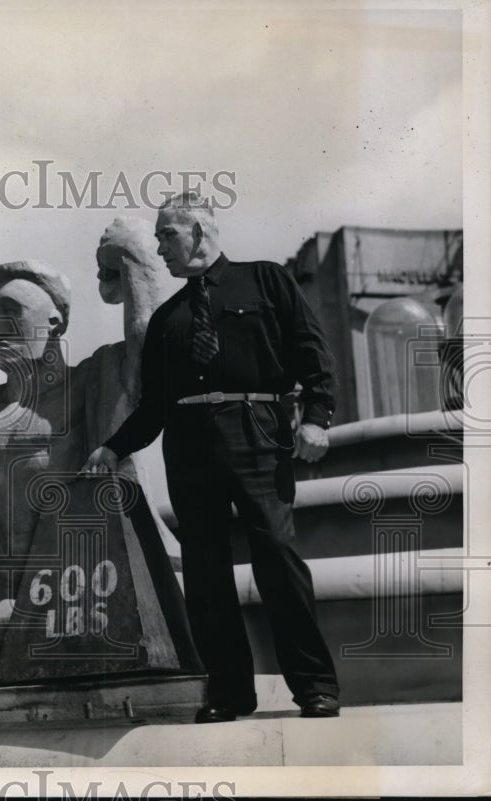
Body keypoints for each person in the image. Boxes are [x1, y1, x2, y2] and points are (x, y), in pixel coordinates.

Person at [82, 192, 340, 722]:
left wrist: (318, 417)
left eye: (166, 236)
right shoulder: (166, 320)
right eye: (155, 240)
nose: (160, 248)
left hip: (256, 434)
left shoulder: (266, 280)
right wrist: (113, 447)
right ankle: (229, 693)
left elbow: (311, 353)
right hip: (188, 444)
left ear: (198, 231)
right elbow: (153, 407)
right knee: (205, 574)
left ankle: (315, 687)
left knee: (278, 560)